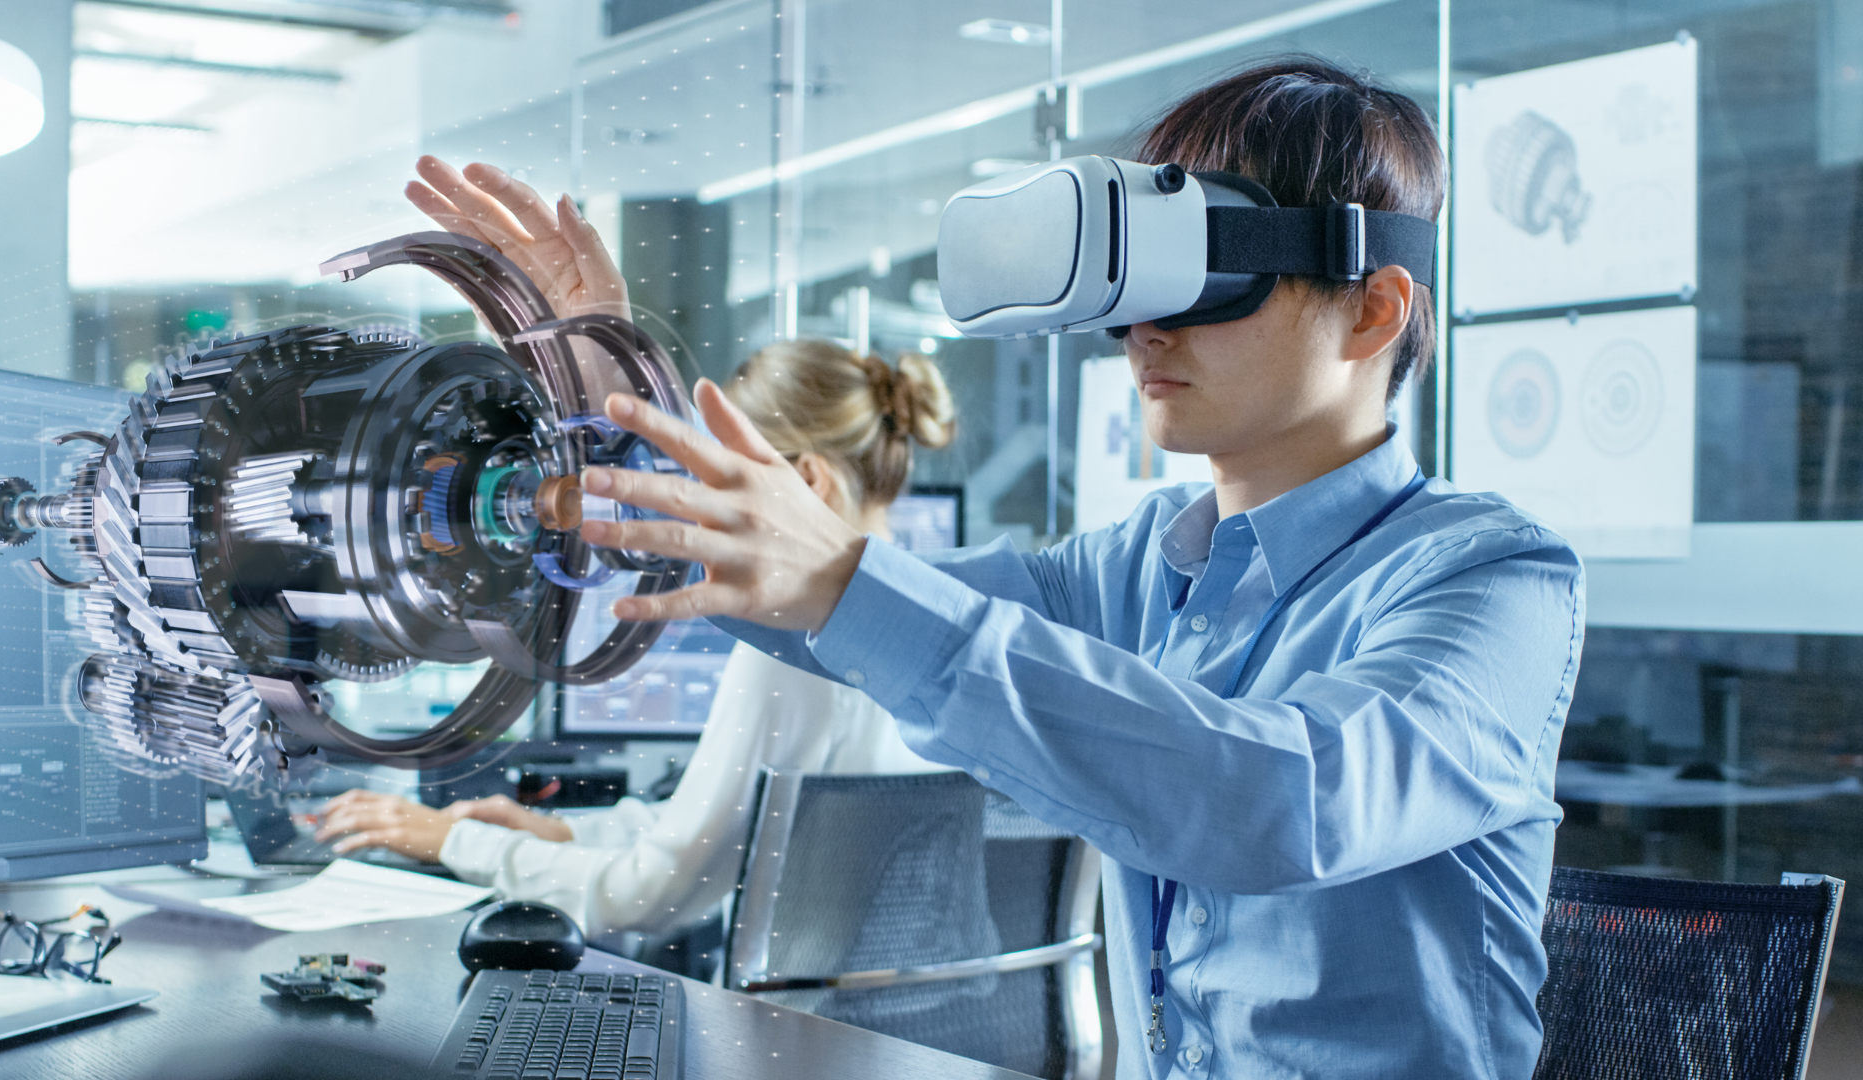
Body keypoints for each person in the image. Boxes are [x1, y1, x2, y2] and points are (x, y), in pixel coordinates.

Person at [538, 59, 1585, 1080]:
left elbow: (1283, 800)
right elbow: (803, 603)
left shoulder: (1495, 579)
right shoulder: (1135, 569)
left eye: (1210, 274)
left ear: (1373, 310)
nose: (1145, 328)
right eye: (1141, 280)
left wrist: (848, 580)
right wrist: (617, 420)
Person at [316, 203, 961, 937]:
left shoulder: (806, 644)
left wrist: (447, 840)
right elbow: (710, 837)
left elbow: (647, 897)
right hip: (917, 1030)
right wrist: (555, 832)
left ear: (807, 483)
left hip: (813, 1043)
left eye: (723, 483)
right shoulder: (937, 620)